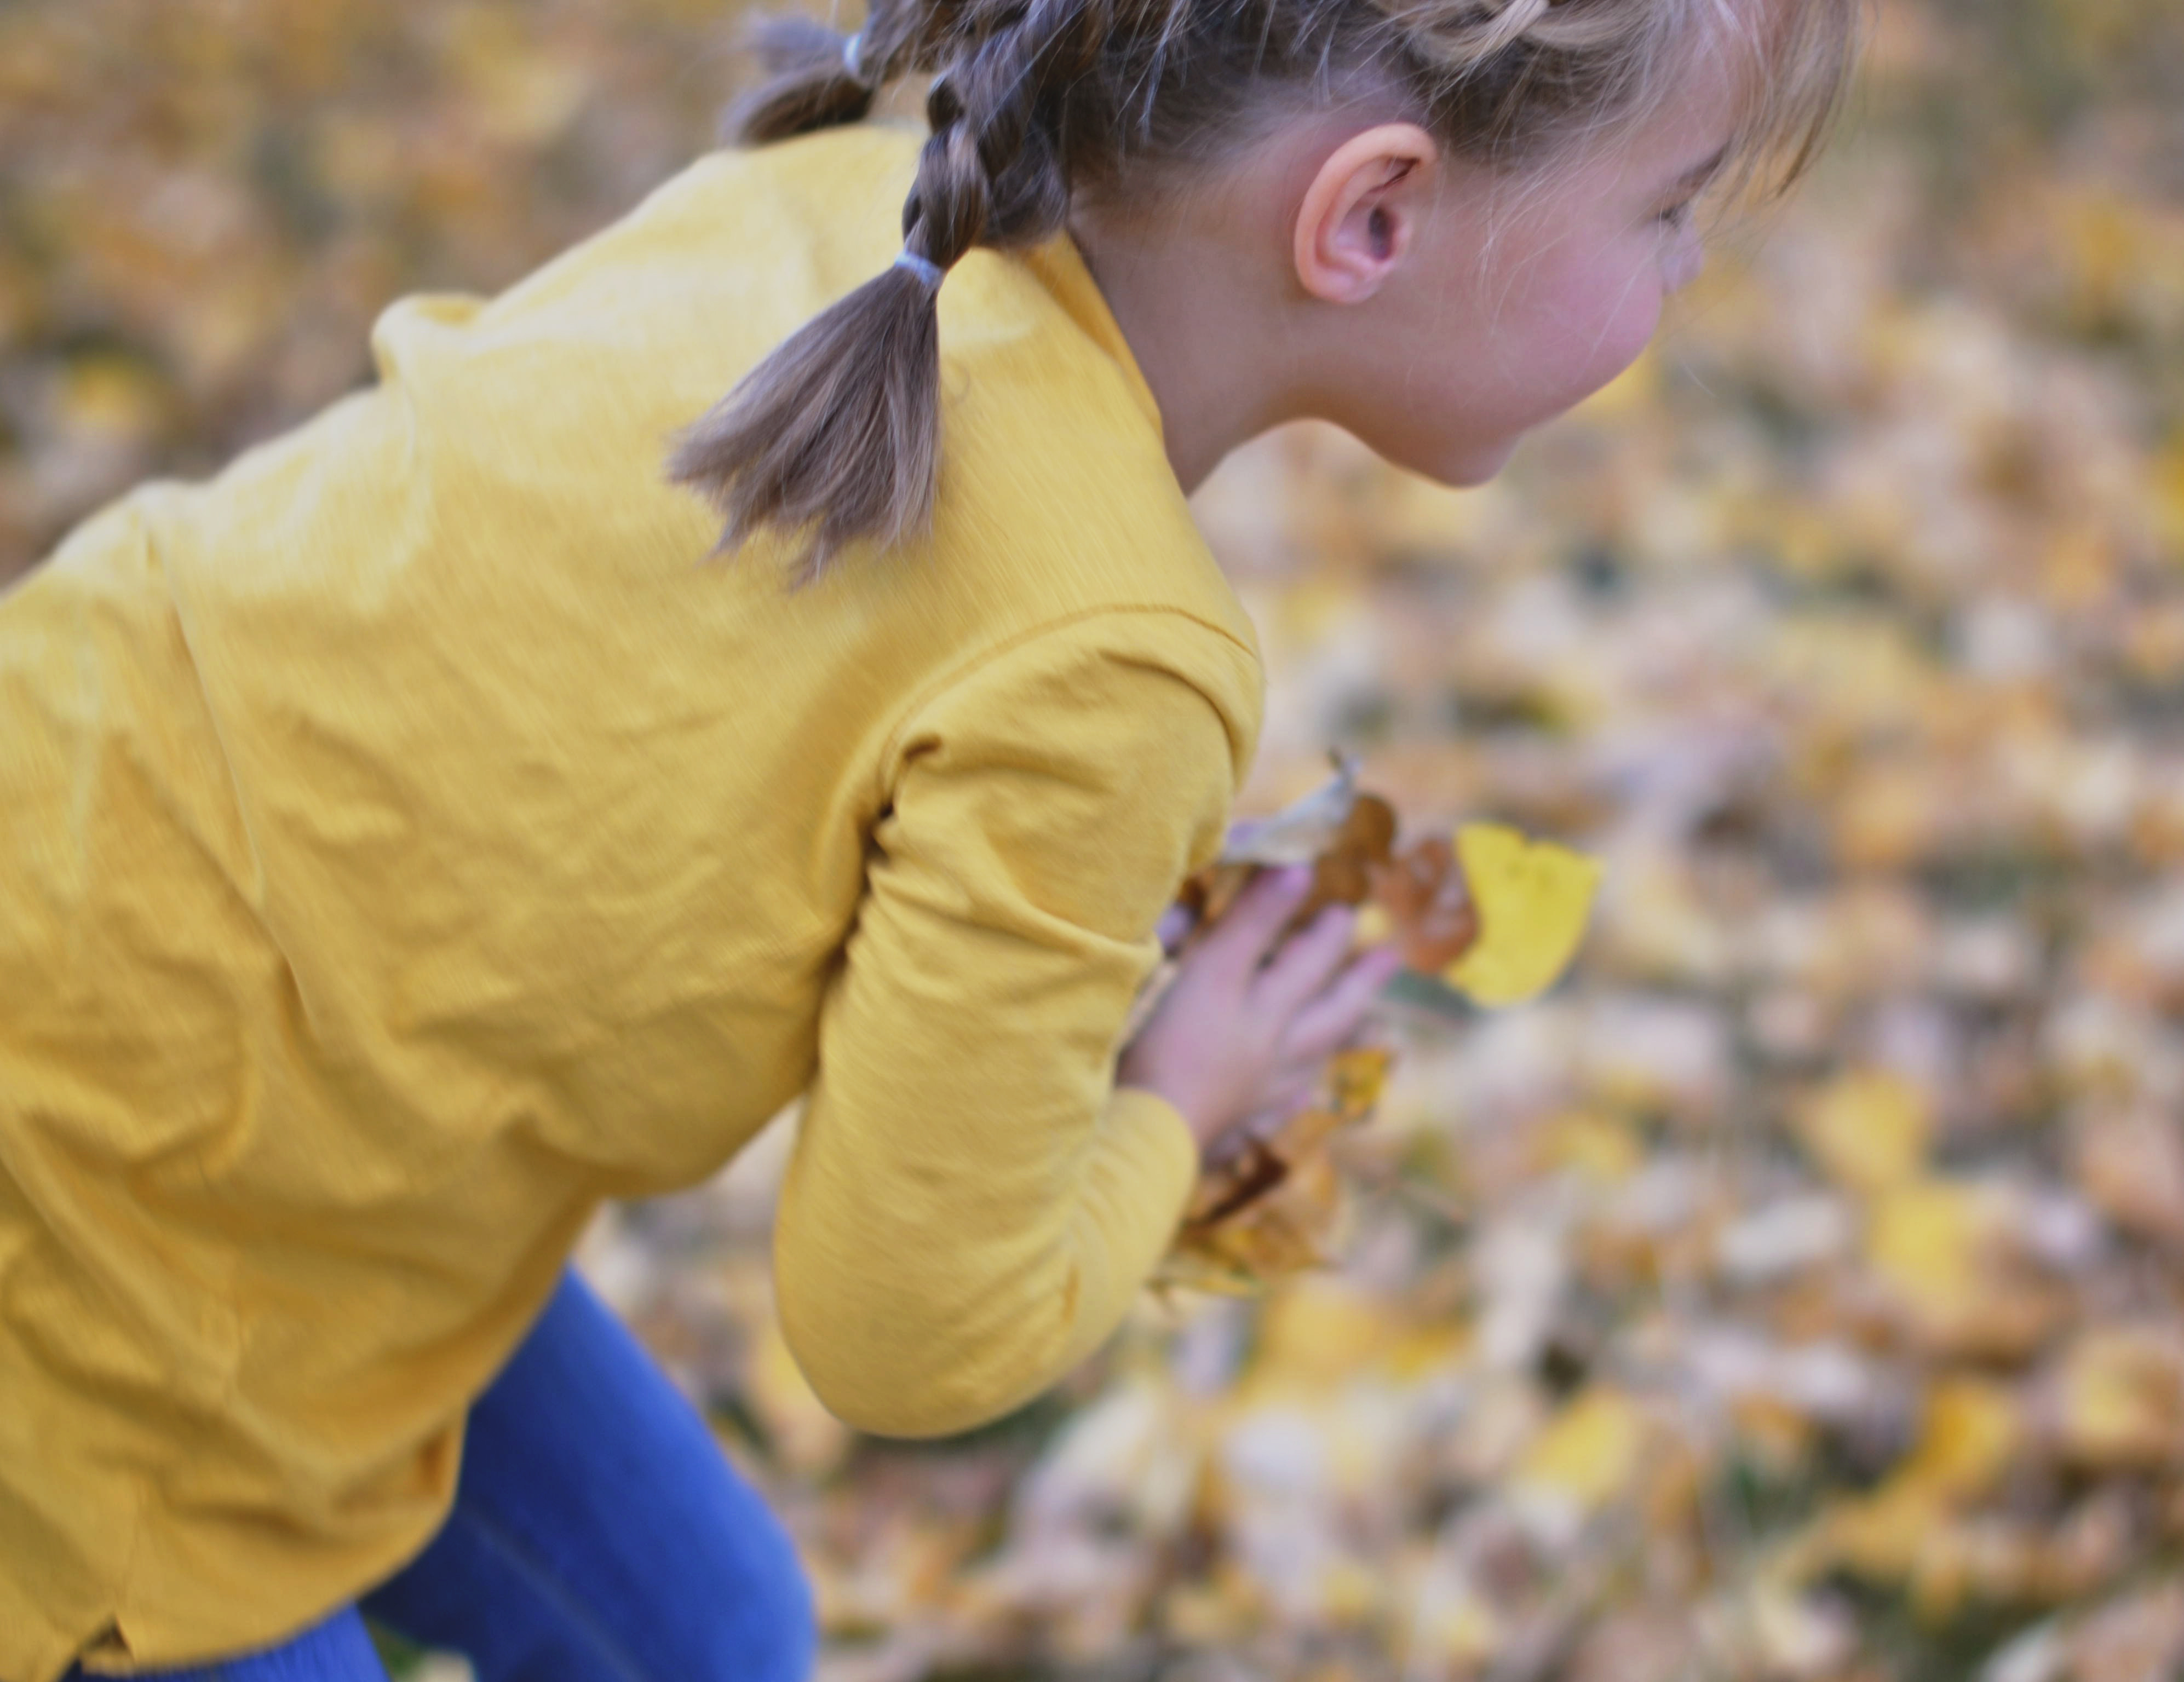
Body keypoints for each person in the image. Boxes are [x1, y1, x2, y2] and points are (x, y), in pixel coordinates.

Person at [0, 0, 1857, 1677]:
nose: (1687, 264)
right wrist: (1174, 1106)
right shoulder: (1115, 658)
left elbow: (631, 777)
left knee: (712, 1631)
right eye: (1672, 206)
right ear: (1371, 216)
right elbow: (909, 1330)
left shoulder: (852, 203)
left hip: (161, 962)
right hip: (111, 1239)